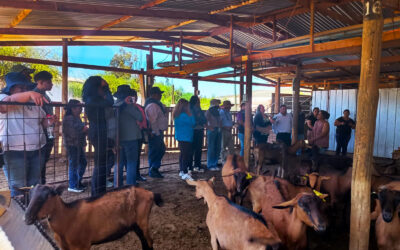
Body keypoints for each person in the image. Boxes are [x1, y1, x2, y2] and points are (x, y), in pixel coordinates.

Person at [0, 72, 48, 197]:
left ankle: (32, 212)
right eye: (21, 88)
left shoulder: (32, 102)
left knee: (35, 185)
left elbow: (42, 121)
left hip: (38, 149)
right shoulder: (3, 97)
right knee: (19, 187)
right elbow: (4, 106)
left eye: (27, 88)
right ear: (11, 89)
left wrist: (49, 121)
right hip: (14, 152)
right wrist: (29, 94)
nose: (25, 90)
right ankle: (20, 213)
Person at [82, 76, 114, 197]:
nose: (103, 89)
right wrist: (107, 89)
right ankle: (97, 192)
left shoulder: (92, 99)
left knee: (101, 162)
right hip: (98, 131)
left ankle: (99, 191)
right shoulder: (92, 100)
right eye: (101, 87)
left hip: (99, 130)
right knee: (100, 163)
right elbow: (110, 102)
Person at [113, 85, 143, 187]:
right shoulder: (128, 106)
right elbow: (139, 117)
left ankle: (117, 185)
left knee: (119, 163)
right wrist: (133, 105)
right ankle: (131, 185)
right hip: (131, 138)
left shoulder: (114, 104)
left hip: (118, 138)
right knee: (131, 163)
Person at [33, 71, 54, 184]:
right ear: (40, 82)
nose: (51, 84)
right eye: (49, 82)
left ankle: (42, 183)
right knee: (40, 160)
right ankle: (39, 184)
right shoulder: (34, 95)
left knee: (44, 160)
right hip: (41, 131)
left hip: (48, 130)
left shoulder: (45, 95)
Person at [62, 99, 87, 193]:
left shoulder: (76, 117)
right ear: (73, 108)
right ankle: (73, 184)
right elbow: (72, 133)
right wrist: (83, 130)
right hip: (72, 144)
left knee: (82, 163)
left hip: (77, 144)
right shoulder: (69, 118)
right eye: (79, 107)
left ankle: (77, 182)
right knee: (74, 165)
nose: (81, 109)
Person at [145, 87, 168, 178]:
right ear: (153, 95)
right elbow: (153, 121)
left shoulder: (155, 104)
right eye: (159, 94)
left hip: (156, 131)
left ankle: (154, 168)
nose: (161, 95)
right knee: (156, 150)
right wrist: (155, 132)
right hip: (155, 132)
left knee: (158, 149)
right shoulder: (153, 105)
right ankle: (153, 169)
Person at [173, 99, 196, 181]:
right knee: (186, 155)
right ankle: (185, 173)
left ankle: (182, 171)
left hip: (181, 136)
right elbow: (193, 123)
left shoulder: (177, 114)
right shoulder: (185, 115)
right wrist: (191, 114)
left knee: (183, 154)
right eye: (188, 105)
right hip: (186, 137)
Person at [189, 95, 207, 172]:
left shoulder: (199, 109)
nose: (199, 103)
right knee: (192, 149)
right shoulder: (190, 109)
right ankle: (190, 165)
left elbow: (204, 119)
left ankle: (197, 164)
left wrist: (199, 121)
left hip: (199, 130)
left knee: (199, 149)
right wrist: (200, 121)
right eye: (198, 101)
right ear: (195, 102)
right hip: (194, 130)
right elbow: (194, 120)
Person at [205, 99, 221, 171]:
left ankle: (214, 163)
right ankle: (210, 165)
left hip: (217, 130)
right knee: (211, 148)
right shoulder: (209, 111)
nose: (219, 105)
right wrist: (209, 127)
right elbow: (205, 121)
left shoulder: (217, 112)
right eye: (217, 103)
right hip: (212, 130)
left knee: (217, 147)